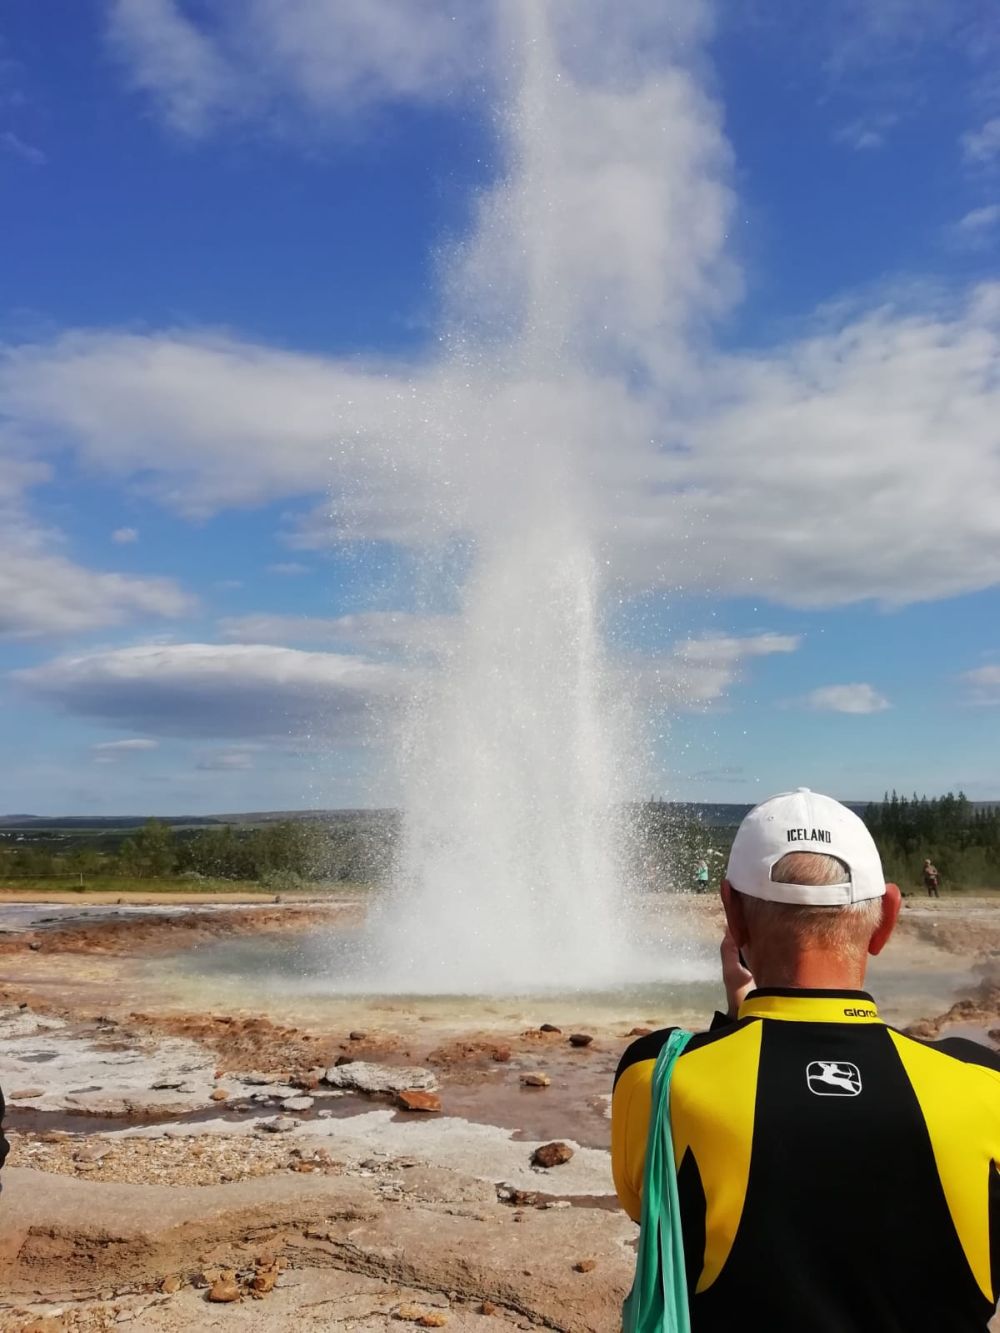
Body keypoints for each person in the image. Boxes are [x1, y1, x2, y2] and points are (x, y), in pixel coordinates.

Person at [613, 788, 1000, 1332]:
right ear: (887, 916)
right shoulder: (985, 1086)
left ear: (733, 915)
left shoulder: (656, 1075)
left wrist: (738, 1022)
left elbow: (649, 1208)